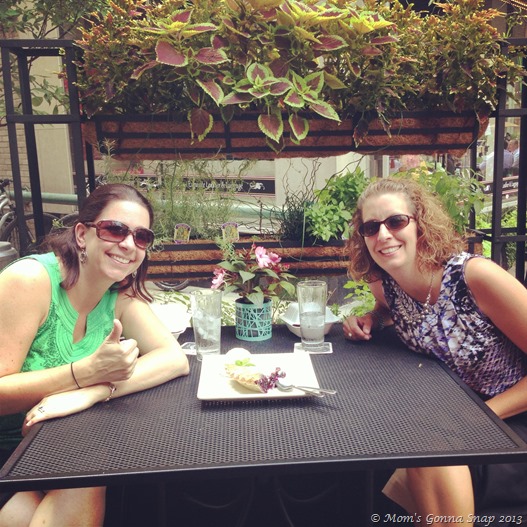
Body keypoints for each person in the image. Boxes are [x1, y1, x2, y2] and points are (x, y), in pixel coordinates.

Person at [0, 183, 190, 527]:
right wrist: (84, 372)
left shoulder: (117, 293)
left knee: (84, 469)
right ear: (81, 234)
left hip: (55, 446)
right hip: (9, 450)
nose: (128, 244)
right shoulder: (30, 280)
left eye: (141, 237)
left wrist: (93, 391)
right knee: (82, 473)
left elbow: (174, 358)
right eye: (115, 229)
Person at [343, 177, 527, 526]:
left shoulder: (474, 277)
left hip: (513, 419)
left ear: (420, 225)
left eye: (396, 221)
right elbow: (391, 311)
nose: (383, 235)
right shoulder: (387, 285)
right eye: (371, 227)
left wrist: (478, 416)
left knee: (427, 446)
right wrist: (372, 318)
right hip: (454, 411)